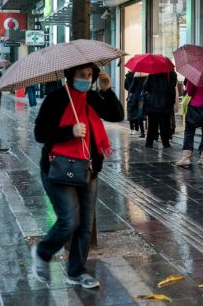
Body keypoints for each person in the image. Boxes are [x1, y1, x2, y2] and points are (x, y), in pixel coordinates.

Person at [31, 63, 123, 288]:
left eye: (90, 75)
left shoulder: (91, 98)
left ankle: (77, 272)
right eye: (82, 75)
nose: (87, 79)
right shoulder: (56, 99)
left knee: (84, 225)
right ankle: (43, 252)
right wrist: (69, 132)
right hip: (58, 169)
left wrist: (106, 90)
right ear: (70, 76)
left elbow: (116, 115)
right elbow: (40, 133)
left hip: (88, 169)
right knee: (69, 220)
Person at [143, 70, 177, 149]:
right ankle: (166, 143)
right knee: (165, 125)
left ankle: (149, 143)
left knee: (152, 125)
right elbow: (172, 89)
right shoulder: (171, 73)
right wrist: (171, 102)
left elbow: (146, 87)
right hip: (166, 103)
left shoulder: (152, 73)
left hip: (152, 103)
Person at [124, 71, 146, 137]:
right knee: (143, 114)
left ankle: (142, 132)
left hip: (137, 97)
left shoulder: (136, 75)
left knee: (138, 113)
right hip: (144, 97)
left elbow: (132, 88)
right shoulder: (147, 76)